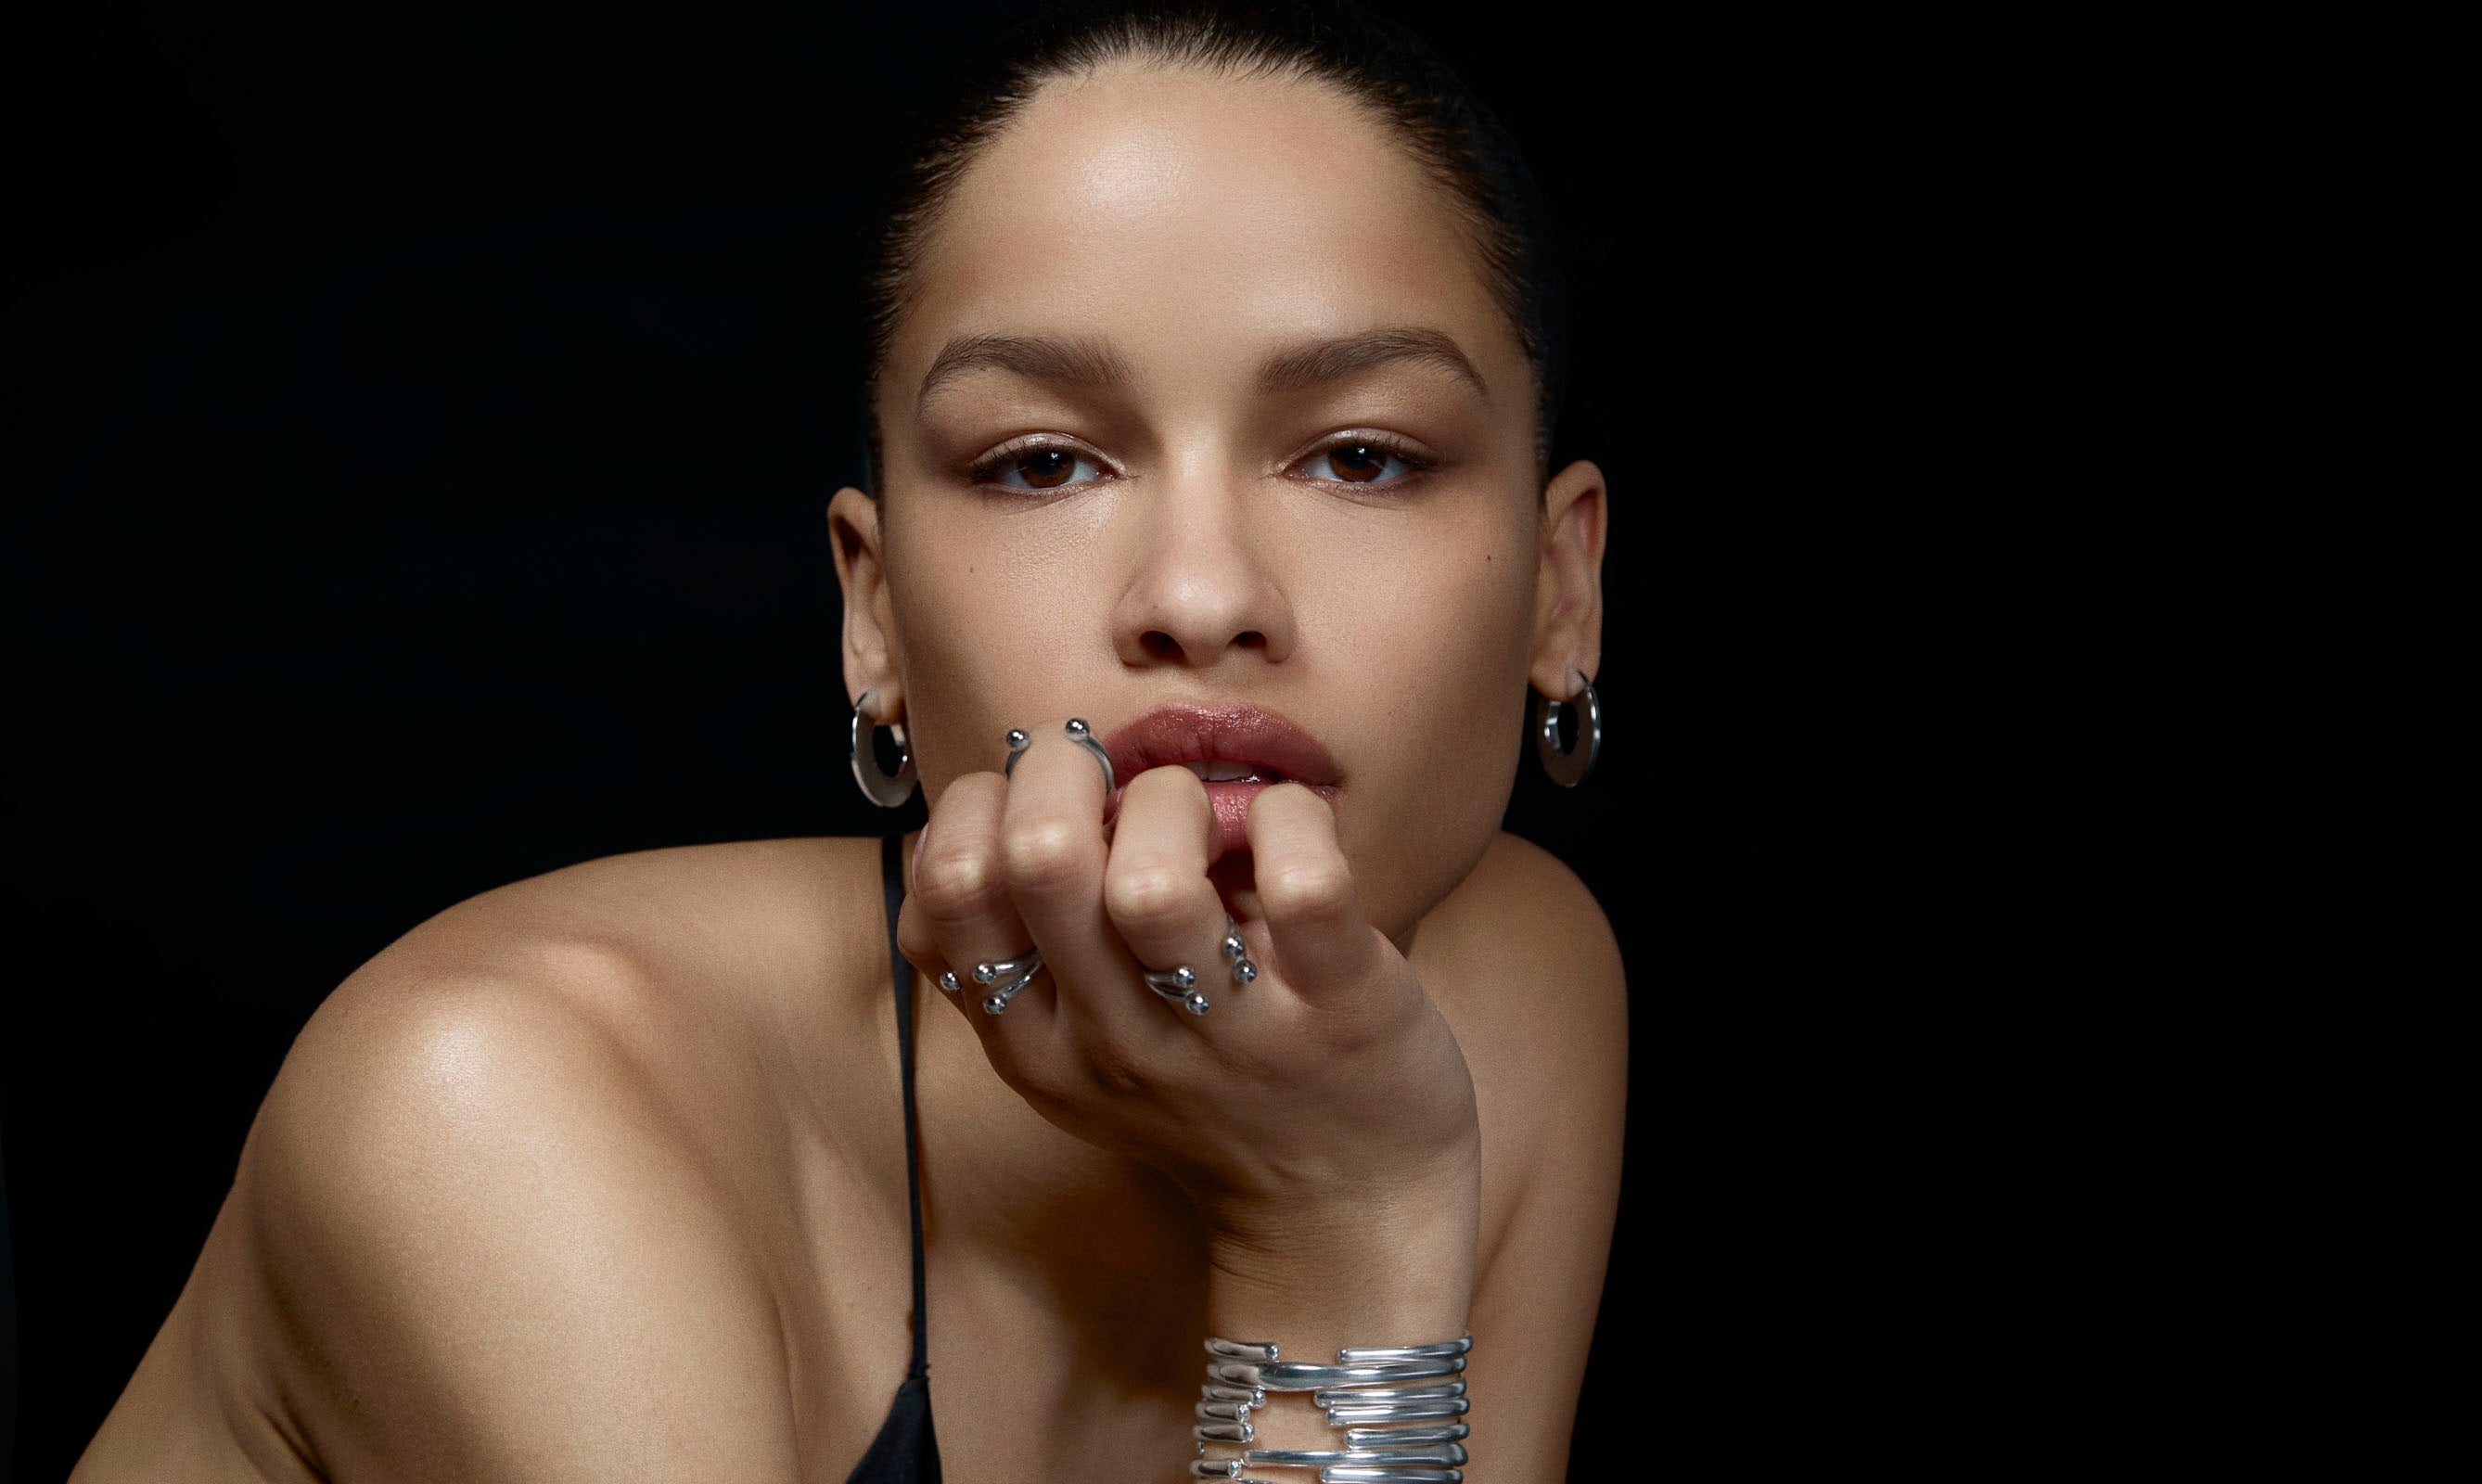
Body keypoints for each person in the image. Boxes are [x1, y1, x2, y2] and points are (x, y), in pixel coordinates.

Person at [70, 4, 1625, 1479]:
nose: (1201, 596)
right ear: (872, 617)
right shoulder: (493, 1113)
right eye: (1039, 465)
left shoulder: (1511, 984)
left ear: (1562, 592)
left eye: (1361, 456)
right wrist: (1340, 1231)